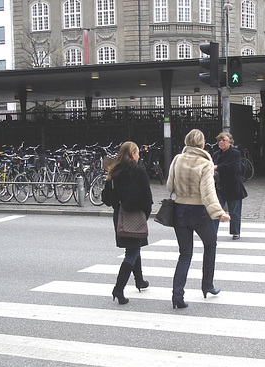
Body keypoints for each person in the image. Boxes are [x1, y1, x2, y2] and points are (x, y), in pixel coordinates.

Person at [167, 129, 230, 309]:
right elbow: (208, 192)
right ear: (202, 144)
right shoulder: (205, 163)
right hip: (199, 212)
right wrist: (219, 213)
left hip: (180, 211)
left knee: (185, 255)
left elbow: (169, 185)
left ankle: (177, 296)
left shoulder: (177, 159)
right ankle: (207, 285)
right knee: (210, 245)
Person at [102, 141, 153, 305]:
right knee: (132, 252)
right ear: (132, 154)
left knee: (133, 248)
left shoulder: (114, 171)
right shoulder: (138, 171)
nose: (139, 156)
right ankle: (118, 288)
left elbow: (107, 199)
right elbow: (147, 198)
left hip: (120, 216)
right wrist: (145, 214)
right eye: (137, 153)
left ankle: (139, 280)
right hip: (135, 215)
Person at [212, 132, 247, 240]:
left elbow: (234, 167)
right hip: (219, 186)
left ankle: (235, 232)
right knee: (216, 210)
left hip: (233, 186)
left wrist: (218, 167)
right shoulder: (216, 154)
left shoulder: (235, 153)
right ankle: (213, 232)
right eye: (219, 141)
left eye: (224, 140)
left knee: (234, 210)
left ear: (230, 142)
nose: (221, 142)